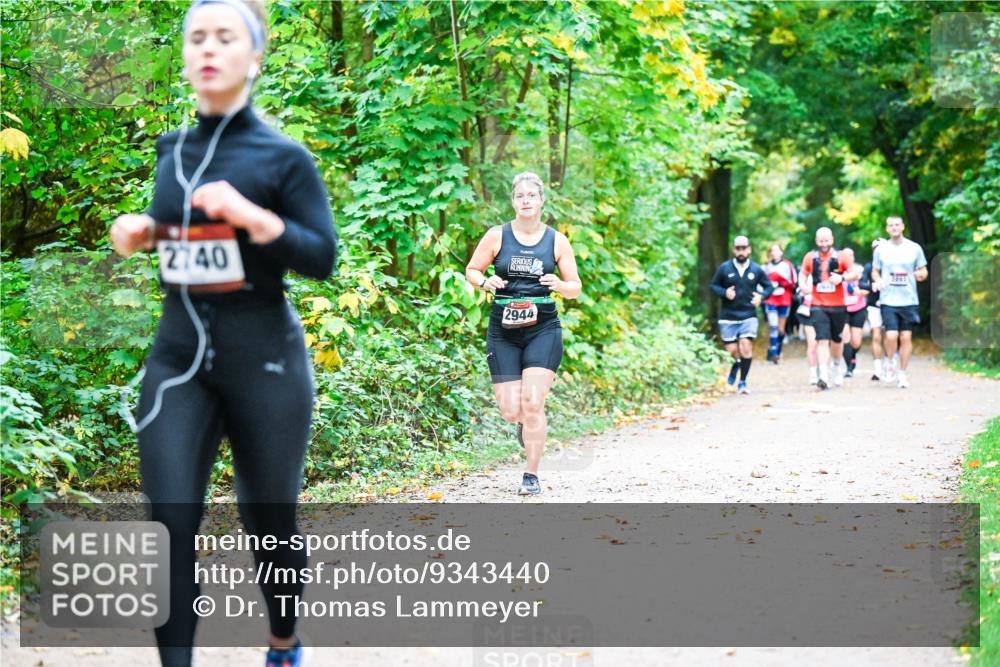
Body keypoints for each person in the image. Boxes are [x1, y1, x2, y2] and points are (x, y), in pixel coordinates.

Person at [109, 1, 336, 665]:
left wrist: (252, 216)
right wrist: (144, 232)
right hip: (178, 359)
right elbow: (176, 234)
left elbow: (321, 256)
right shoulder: (170, 150)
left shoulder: (283, 158)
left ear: (254, 57)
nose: (208, 48)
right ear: (185, 56)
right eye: (196, 38)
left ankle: (284, 643)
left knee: (269, 524)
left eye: (225, 37)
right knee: (168, 526)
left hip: (265, 358)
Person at [465, 171, 582, 495]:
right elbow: (472, 270)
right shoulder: (496, 236)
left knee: (533, 404)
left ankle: (531, 475)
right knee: (510, 410)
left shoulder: (556, 240)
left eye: (532, 195)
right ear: (514, 201)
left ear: (542, 200)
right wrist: (484, 281)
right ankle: (523, 423)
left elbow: (575, 287)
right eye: (520, 196)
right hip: (503, 329)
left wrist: (559, 284)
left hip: (543, 327)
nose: (526, 201)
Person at [798, 227, 861, 390]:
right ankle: (824, 375)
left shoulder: (841, 256)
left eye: (826, 240)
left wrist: (842, 277)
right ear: (816, 241)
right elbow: (803, 273)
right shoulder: (810, 257)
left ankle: (836, 365)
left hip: (838, 305)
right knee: (821, 339)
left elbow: (855, 273)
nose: (823, 244)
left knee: (837, 340)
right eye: (820, 240)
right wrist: (802, 285)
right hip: (818, 305)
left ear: (832, 240)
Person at [709, 235, 774, 394]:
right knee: (731, 351)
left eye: (744, 248)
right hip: (728, 316)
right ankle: (736, 364)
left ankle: (743, 382)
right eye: (738, 248)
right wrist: (724, 293)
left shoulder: (756, 269)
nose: (741, 251)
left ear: (749, 249)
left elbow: (769, 287)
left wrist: (761, 297)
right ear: (734, 250)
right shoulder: (725, 268)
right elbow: (713, 286)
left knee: (746, 346)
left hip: (748, 315)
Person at [872, 216, 928, 388]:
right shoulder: (881, 250)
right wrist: (878, 280)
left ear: (903, 227)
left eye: (897, 224)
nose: (894, 227)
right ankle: (890, 361)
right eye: (891, 225)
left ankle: (902, 374)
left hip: (909, 299)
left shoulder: (914, 248)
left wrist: (921, 275)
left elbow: (923, 270)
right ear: (887, 229)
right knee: (891, 335)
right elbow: (875, 271)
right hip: (888, 298)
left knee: (905, 337)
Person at [763, 243, 797, 363]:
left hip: (784, 299)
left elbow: (793, 283)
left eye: (777, 251)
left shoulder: (787, 265)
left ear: (781, 252)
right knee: (773, 325)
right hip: (771, 299)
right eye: (772, 251)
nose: (775, 253)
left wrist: (780, 283)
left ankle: (778, 351)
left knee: (781, 328)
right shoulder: (766, 267)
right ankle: (772, 350)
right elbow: (761, 282)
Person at [858, 239, 886, 381]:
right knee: (876, 335)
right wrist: (872, 286)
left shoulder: (892, 265)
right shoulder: (869, 267)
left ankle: (889, 364)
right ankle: (878, 369)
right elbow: (861, 283)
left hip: (891, 304)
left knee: (890, 336)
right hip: (874, 305)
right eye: (875, 248)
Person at [840, 247, 867, 378]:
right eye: (846, 255)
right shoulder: (837, 271)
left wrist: (859, 292)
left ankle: (853, 354)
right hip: (842, 309)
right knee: (845, 338)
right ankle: (849, 367)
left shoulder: (860, 270)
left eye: (851, 255)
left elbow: (867, 290)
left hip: (858, 308)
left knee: (856, 342)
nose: (849, 258)